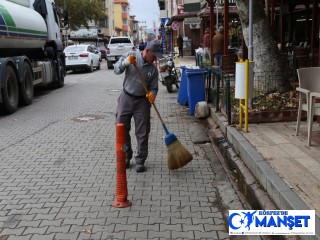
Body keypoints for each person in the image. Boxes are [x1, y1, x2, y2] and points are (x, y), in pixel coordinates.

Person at [114, 40, 162, 172]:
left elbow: (154, 87)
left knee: (142, 133)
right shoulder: (131, 55)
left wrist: (153, 94)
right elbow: (116, 70)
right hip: (126, 98)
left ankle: (140, 160)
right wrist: (125, 63)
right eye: (154, 55)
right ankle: (126, 156)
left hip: (142, 103)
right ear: (147, 51)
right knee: (121, 129)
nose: (155, 59)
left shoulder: (153, 69)